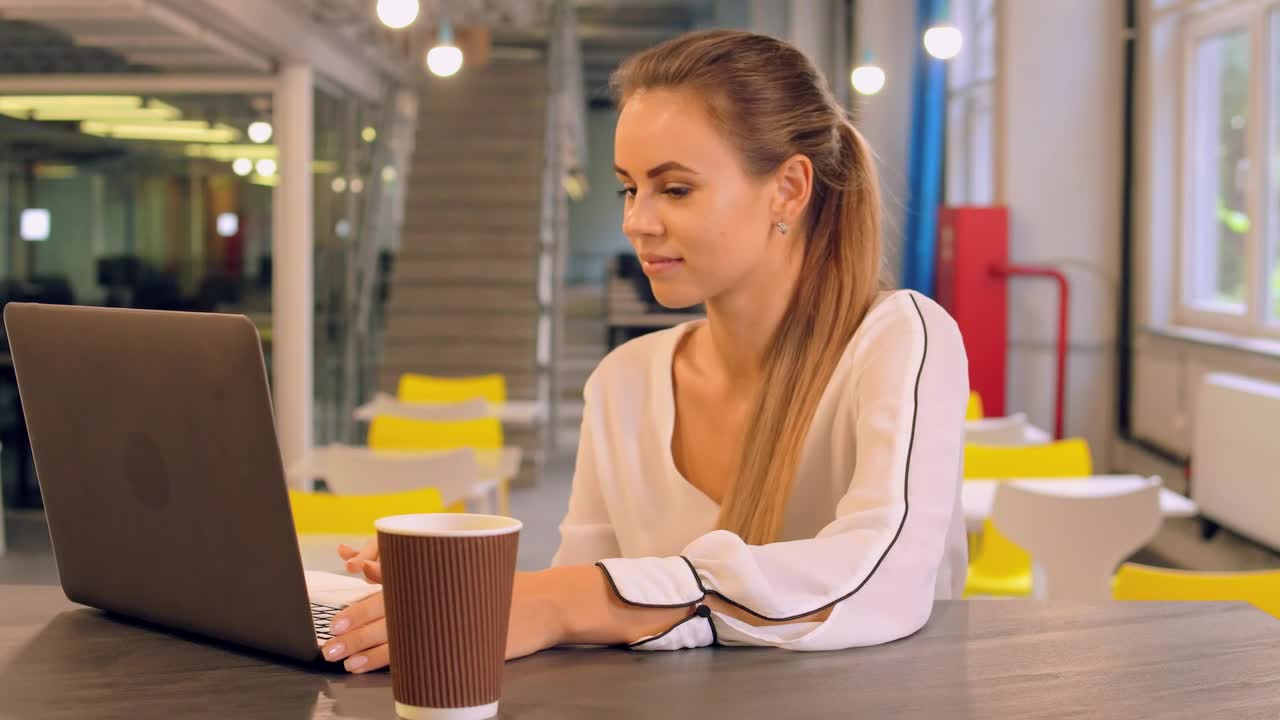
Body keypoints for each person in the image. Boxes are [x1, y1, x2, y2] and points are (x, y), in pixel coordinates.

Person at [320, 28, 969, 674]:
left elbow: (884, 576)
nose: (636, 221)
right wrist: (472, 592)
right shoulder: (623, 380)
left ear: (789, 190)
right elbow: (584, 613)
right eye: (630, 187)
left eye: (676, 188)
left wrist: (563, 599)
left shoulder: (901, 337)